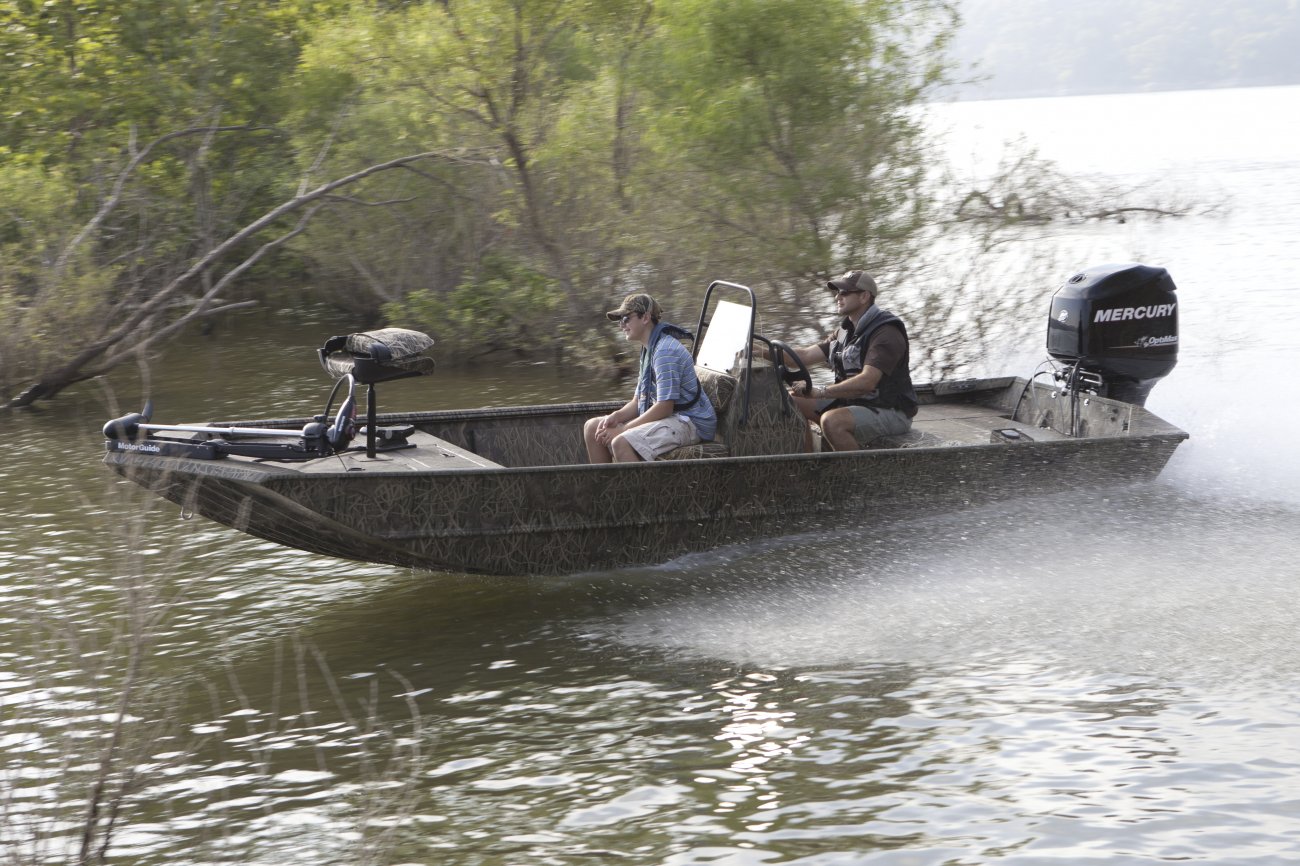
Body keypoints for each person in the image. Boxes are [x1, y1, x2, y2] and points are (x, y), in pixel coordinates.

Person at [780, 270, 918, 451]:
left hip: (890, 410)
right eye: (837, 292)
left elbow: (867, 382)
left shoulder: (886, 332)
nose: (837, 297)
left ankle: (857, 470)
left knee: (833, 421)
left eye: (844, 293)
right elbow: (805, 356)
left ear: (864, 296)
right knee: (790, 400)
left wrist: (820, 392)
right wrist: (762, 351)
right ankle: (808, 463)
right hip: (855, 403)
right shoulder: (846, 331)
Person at [584, 293, 717, 463]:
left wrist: (623, 429)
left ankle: (640, 482)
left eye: (626, 318)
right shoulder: (649, 349)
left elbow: (665, 407)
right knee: (592, 427)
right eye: (620, 320)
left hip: (691, 422)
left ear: (645, 318)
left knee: (621, 442)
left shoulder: (665, 352)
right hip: (673, 416)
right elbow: (637, 401)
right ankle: (608, 482)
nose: (621, 325)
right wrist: (616, 416)